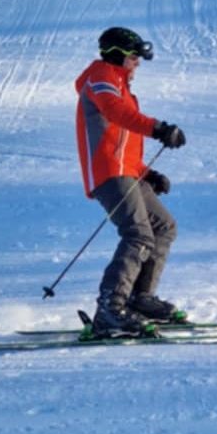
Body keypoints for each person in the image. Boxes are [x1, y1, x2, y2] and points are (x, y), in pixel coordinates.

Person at [74, 26, 187, 337]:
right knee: (138, 235)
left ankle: (140, 299)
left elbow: (123, 142)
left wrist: (146, 173)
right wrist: (159, 129)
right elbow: (118, 115)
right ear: (118, 55)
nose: (138, 62)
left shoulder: (120, 86)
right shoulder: (101, 78)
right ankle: (111, 308)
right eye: (134, 56)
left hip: (126, 170)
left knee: (164, 226)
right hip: (109, 173)